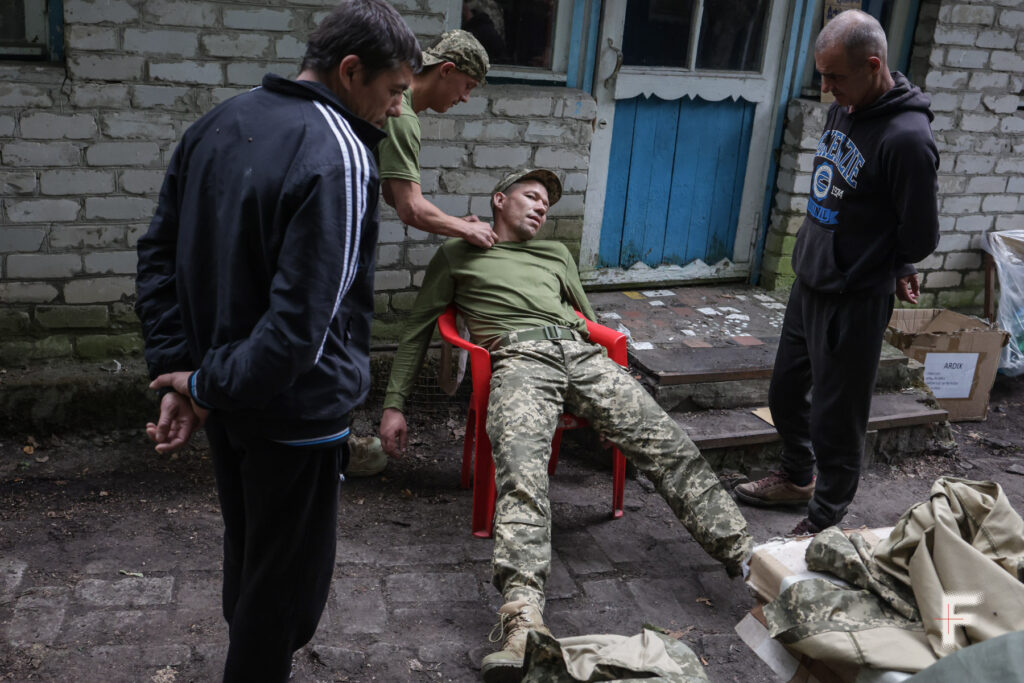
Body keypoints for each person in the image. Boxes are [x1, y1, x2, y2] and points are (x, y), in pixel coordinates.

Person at [133, 2, 419, 680]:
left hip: (227, 407)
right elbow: (300, 331)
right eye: (395, 91)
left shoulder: (217, 123)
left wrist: (182, 372)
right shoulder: (342, 155)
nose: (400, 110)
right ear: (352, 72)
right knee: (284, 598)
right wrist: (197, 384)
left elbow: (157, 257)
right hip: (293, 414)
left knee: (252, 563)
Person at [377, 168, 754, 683]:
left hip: (581, 356)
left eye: (547, 204)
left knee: (669, 444)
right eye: (531, 197)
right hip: (518, 359)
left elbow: (588, 314)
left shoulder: (555, 255)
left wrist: (609, 392)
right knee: (523, 476)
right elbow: (418, 330)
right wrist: (394, 405)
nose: (540, 208)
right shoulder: (457, 253)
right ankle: (523, 623)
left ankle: (747, 558)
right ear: (499, 200)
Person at [734, 10, 939, 536]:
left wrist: (897, 262)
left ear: (873, 66)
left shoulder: (908, 139)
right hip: (813, 279)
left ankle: (824, 520)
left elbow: (919, 232)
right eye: (821, 75)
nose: (825, 89)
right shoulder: (845, 108)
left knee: (837, 415)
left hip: (854, 295)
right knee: (784, 392)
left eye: (835, 78)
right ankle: (798, 476)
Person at [377, 28, 496, 249]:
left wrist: (455, 224)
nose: (465, 98)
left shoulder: (397, 100)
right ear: (447, 70)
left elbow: (393, 194)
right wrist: (467, 229)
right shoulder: (401, 115)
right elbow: (410, 209)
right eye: (468, 86)